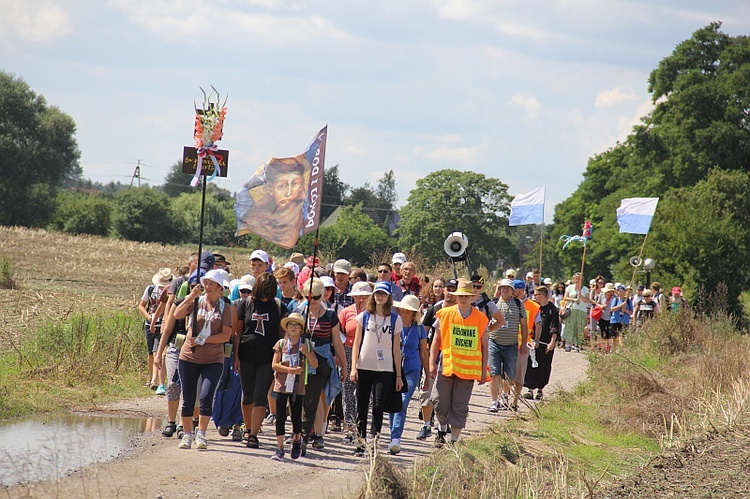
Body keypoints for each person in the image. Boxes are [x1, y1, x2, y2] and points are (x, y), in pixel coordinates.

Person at [172, 268, 234, 450]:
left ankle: (202, 434)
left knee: (206, 396)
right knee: (188, 397)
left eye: (211, 284)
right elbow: (177, 314)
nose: (207, 286)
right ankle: (187, 434)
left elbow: (225, 335)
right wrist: (191, 296)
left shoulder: (226, 308)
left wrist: (203, 340)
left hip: (213, 358)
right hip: (189, 356)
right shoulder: (196, 301)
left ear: (220, 288)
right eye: (205, 283)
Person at [429, 279, 491, 447]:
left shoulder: (480, 318)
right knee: (439, 402)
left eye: (466, 296)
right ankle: (442, 430)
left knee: (460, 406)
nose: (463, 298)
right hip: (447, 367)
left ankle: (454, 441)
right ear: (456, 296)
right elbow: (436, 339)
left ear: (472, 297)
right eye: (460, 295)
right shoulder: (445, 313)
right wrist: (431, 363)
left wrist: (483, 371)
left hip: (467, 371)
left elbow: (485, 346)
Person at [233, 272, 288, 449]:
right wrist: (235, 356)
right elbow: (237, 332)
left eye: (269, 292)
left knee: (260, 396)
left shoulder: (279, 306)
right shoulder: (246, 304)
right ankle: (247, 428)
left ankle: (254, 435)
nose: (265, 296)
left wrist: (281, 358)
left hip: (268, 358)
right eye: (263, 291)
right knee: (247, 395)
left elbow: (282, 335)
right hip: (246, 355)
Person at [350, 281, 403, 457]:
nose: (380, 296)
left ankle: (374, 442)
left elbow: (396, 349)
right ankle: (360, 443)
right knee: (361, 406)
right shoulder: (364, 316)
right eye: (377, 293)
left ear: (389, 297)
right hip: (364, 365)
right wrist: (353, 368)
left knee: (378, 406)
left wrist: (398, 375)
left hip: (385, 368)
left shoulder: (395, 319)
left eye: (383, 294)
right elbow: (356, 343)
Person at [298, 277, 347, 451]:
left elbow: (337, 343)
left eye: (316, 298)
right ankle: (301, 433)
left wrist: (344, 366)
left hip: (321, 362)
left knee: (313, 398)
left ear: (323, 297)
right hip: (301, 360)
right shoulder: (299, 313)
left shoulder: (330, 316)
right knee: (300, 399)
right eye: (309, 298)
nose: (312, 302)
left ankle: (308, 436)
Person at [270, 313, 318, 461]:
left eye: (296, 325)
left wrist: (306, 353)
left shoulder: (307, 344)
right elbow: (274, 365)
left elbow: (315, 364)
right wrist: (290, 370)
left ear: (301, 329)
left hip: (298, 387)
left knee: (296, 416)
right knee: (280, 416)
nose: (293, 327)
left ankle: (297, 438)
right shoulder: (281, 344)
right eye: (290, 324)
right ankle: (279, 448)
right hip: (282, 385)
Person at [416, 278, 458, 440]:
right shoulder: (434, 309)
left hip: (451, 360)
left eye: (454, 289)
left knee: (444, 397)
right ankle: (426, 425)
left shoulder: (461, 311)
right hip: (432, 357)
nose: (450, 292)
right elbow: (423, 333)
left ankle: (442, 429)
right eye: (448, 289)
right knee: (426, 393)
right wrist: (423, 353)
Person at [235, 159, 309, 249]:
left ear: (302, 185)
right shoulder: (259, 221)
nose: (289, 192)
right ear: (270, 189)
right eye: (282, 186)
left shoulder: (306, 216)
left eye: (295, 184)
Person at [388, 294, 429, 455]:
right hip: (393, 368)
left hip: (412, 369)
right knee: (393, 402)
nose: (404, 311)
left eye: (408, 309)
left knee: (402, 402)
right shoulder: (393, 324)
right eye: (402, 308)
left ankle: (396, 437)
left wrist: (427, 375)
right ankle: (393, 436)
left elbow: (424, 353)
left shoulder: (419, 329)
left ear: (413, 313)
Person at [338, 281, 373, 442]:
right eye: (357, 295)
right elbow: (339, 333)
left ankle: (361, 426)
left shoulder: (373, 314)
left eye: (364, 296)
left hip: (367, 352)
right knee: (347, 390)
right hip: (348, 350)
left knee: (364, 391)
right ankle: (350, 427)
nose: (360, 299)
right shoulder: (346, 312)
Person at [488, 279, 527, 412]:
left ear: (512, 290)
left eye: (507, 288)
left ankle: (505, 396)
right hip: (494, 342)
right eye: (502, 287)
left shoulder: (518, 304)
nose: (504, 290)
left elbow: (524, 324)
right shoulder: (493, 303)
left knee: (509, 375)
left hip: (511, 344)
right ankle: (494, 401)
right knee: (494, 373)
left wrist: (523, 344)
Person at [139, 267, 173, 391]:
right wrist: (148, 317)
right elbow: (141, 306)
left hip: (163, 325)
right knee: (151, 353)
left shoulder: (171, 292)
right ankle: (151, 378)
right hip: (150, 324)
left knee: (157, 352)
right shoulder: (150, 289)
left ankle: (156, 380)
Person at [524, 286, 559, 400]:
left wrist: (552, 342)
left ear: (542, 295)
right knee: (531, 365)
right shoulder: (535, 308)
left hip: (546, 343)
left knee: (544, 366)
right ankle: (530, 389)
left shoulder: (552, 310)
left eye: (536, 295)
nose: (534, 297)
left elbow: (554, 327)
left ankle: (540, 389)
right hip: (533, 342)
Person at [513, 279, 540, 408]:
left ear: (521, 290)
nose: (512, 292)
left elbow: (538, 324)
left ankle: (515, 401)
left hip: (523, 344)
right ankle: (505, 397)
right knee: (506, 374)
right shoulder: (508, 302)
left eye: (514, 289)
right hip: (508, 342)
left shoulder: (533, 306)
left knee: (519, 374)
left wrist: (537, 340)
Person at [560, 272, 593, 352]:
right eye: (576, 278)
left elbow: (588, 300)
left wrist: (580, 296)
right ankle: (568, 344)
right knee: (569, 326)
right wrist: (574, 299)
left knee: (579, 327)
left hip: (581, 310)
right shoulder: (570, 288)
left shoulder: (585, 289)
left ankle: (577, 344)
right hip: (571, 309)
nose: (577, 280)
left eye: (579, 278)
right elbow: (565, 297)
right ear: (573, 279)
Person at [609, 285, 632, 350]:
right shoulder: (615, 300)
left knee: (622, 337)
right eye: (620, 291)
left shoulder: (628, 301)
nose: (621, 293)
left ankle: (621, 350)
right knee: (614, 338)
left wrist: (625, 310)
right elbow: (612, 309)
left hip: (624, 321)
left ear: (625, 292)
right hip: (615, 320)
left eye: (622, 292)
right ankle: (614, 350)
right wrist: (620, 306)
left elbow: (631, 312)